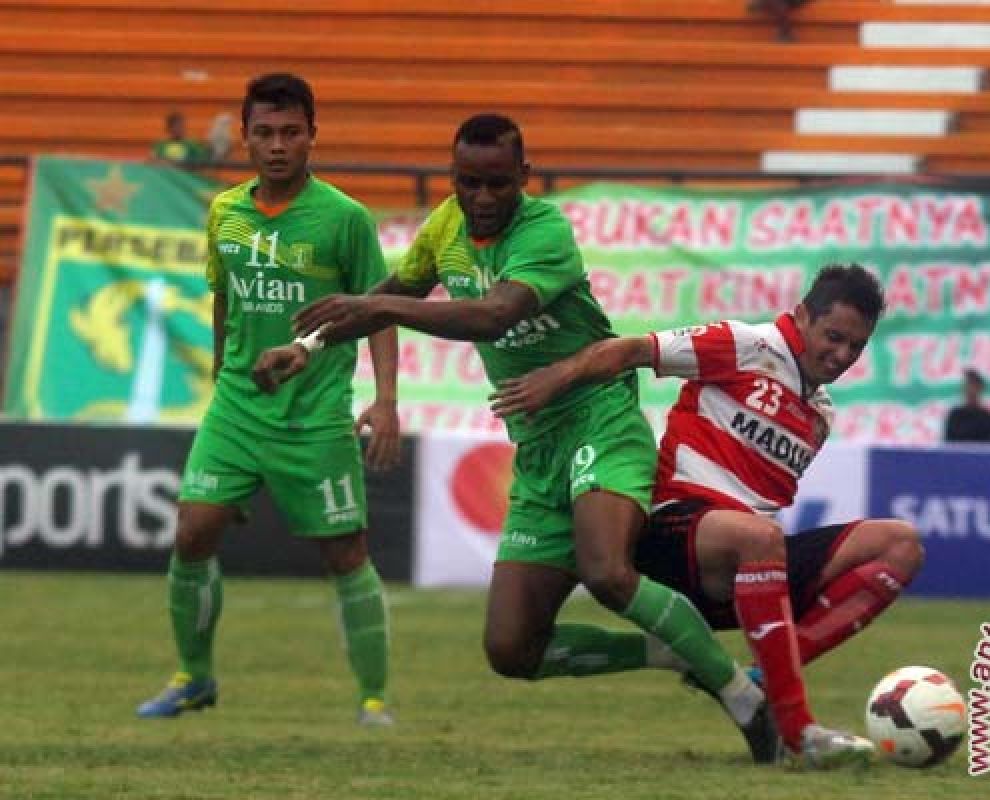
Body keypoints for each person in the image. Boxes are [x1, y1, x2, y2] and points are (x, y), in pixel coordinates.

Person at [252, 113, 777, 762]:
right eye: (468, 182)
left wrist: (379, 309)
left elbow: (495, 316)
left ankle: (747, 701)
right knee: (511, 649)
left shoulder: (545, 231)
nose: (481, 198)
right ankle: (671, 649)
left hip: (600, 419)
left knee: (607, 571)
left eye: (497, 183)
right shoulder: (444, 227)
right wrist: (306, 345)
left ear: (523, 178)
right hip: (537, 451)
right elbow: (392, 292)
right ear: (453, 178)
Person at [490, 264, 925, 768]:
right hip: (675, 530)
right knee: (760, 538)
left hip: (741, 563)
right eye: (834, 337)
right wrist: (555, 378)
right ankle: (798, 732)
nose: (842, 355)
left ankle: (759, 679)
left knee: (901, 543)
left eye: (857, 347)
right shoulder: (746, 345)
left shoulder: (821, 414)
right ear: (802, 316)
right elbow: (631, 350)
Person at [137, 73, 400, 727]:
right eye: (264, 133)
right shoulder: (225, 211)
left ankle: (373, 700)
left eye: (290, 132)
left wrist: (385, 400)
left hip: (314, 415)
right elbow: (223, 296)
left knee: (345, 553)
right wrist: (224, 369)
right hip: (236, 405)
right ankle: (194, 678)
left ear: (313, 134)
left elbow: (380, 312)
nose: (277, 145)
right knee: (193, 531)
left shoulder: (344, 218)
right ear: (246, 138)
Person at [944, 368, 990, 444]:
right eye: (967, 385)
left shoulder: (989, 418)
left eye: (973, 386)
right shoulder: (955, 416)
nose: (970, 389)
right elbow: (948, 445)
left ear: (980, 388)